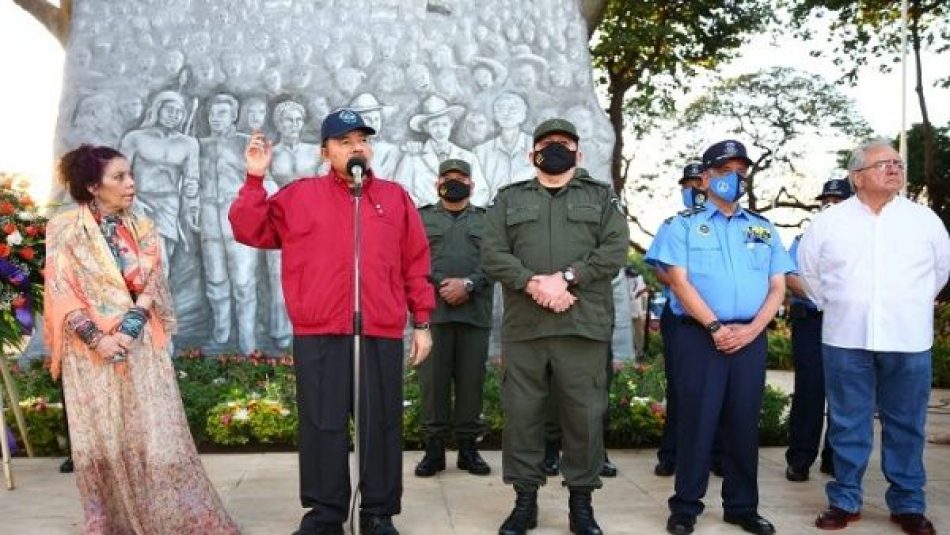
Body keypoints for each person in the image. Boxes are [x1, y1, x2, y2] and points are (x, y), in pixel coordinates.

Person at [229, 109, 435, 535]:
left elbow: (415, 261)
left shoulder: (394, 198)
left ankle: (378, 512)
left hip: (378, 329)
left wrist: (423, 321)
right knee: (322, 423)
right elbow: (249, 229)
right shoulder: (299, 195)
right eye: (344, 141)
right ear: (325, 152)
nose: (356, 147)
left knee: (381, 423)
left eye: (362, 139)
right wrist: (255, 178)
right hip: (319, 330)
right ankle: (325, 514)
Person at [44, 145, 239, 535]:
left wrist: (127, 332)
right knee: (102, 439)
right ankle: (108, 521)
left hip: (140, 347)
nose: (131, 183)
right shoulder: (63, 228)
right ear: (92, 186)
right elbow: (60, 288)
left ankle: (171, 520)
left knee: (157, 435)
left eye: (130, 175)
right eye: (119, 177)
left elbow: (150, 281)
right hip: (90, 352)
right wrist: (98, 338)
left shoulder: (142, 225)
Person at [482, 118, 629, 535]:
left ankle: (581, 504)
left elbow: (615, 249)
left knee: (583, 417)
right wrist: (533, 282)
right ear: (533, 154)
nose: (556, 149)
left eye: (564, 143)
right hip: (526, 327)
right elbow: (492, 253)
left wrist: (565, 279)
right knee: (522, 416)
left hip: (580, 324)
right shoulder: (508, 200)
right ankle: (524, 503)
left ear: (578, 153)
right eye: (547, 143)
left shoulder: (601, 198)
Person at [799, 139, 950, 535]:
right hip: (846, 337)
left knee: (908, 424)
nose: (895, 168)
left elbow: (940, 273)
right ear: (857, 177)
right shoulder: (829, 222)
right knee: (849, 424)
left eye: (898, 163)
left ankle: (908, 504)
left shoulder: (925, 221)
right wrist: (846, 304)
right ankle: (844, 500)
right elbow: (810, 276)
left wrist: (909, 303)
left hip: (909, 338)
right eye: (884, 163)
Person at [652, 140, 793, 535]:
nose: (735, 178)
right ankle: (685, 506)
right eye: (725, 170)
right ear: (707, 176)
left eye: (741, 171)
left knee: (744, 422)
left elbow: (778, 287)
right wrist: (715, 327)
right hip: (699, 336)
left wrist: (752, 330)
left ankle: (742, 506)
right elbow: (678, 283)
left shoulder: (762, 228)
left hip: (750, 335)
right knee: (697, 420)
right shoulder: (682, 226)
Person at [414, 159, 493, 478]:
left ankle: (467, 450)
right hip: (435, 312)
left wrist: (469, 284)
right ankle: (433, 451)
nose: (454, 182)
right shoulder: (421, 218)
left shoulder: (488, 221)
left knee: (471, 382)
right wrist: (442, 283)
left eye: (461, 178)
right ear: (437, 184)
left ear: (472, 185)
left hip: (475, 313)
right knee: (433, 383)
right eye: (448, 178)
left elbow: (496, 258)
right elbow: (412, 257)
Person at [646, 162, 724, 479]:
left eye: (697, 182)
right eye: (686, 184)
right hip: (681, 317)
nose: (692, 189)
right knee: (680, 387)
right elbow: (659, 268)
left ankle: (716, 454)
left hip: (720, 316)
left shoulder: (726, 221)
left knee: (720, 388)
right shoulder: (673, 224)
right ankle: (672, 454)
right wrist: (684, 281)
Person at [783, 178, 852, 483]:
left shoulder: (861, 240)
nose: (830, 205)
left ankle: (834, 458)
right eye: (826, 200)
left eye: (838, 200)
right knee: (810, 391)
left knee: (845, 393)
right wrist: (823, 296)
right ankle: (799, 459)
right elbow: (789, 275)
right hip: (811, 321)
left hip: (848, 322)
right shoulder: (805, 237)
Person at [197, 93, 258, 354]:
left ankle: (248, 338)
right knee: (216, 279)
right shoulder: (199, 144)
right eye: (212, 113)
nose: (215, 118)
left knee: (244, 282)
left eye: (221, 113)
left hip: (239, 218)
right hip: (209, 217)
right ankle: (221, 335)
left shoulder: (248, 143)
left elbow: (261, 179)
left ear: (234, 115)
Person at [119, 90, 200, 272]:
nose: (174, 115)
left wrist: (193, 200)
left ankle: (155, 299)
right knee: (145, 259)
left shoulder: (189, 144)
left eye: (179, 112)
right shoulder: (135, 138)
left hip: (169, 206)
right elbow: (120, 173)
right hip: (139, 202)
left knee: (163, 261)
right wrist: (132, 201)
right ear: (158, 110)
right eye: (169, 110)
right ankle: (146, 299)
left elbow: (192, 178)